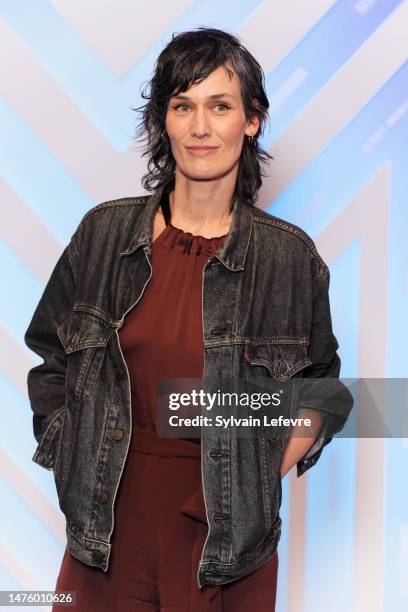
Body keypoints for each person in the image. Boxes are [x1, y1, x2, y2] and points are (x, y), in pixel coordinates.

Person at [24, 27, 352, 611]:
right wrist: (67, 444)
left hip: (228, 547)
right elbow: (50, 356)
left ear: (250, 121)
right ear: (164, 121)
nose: (201, 127)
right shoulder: (102, 234)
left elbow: (323, 390)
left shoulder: (288, 258)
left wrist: (258, 472)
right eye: (183, 106)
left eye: (220, 106)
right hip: (105, 530)